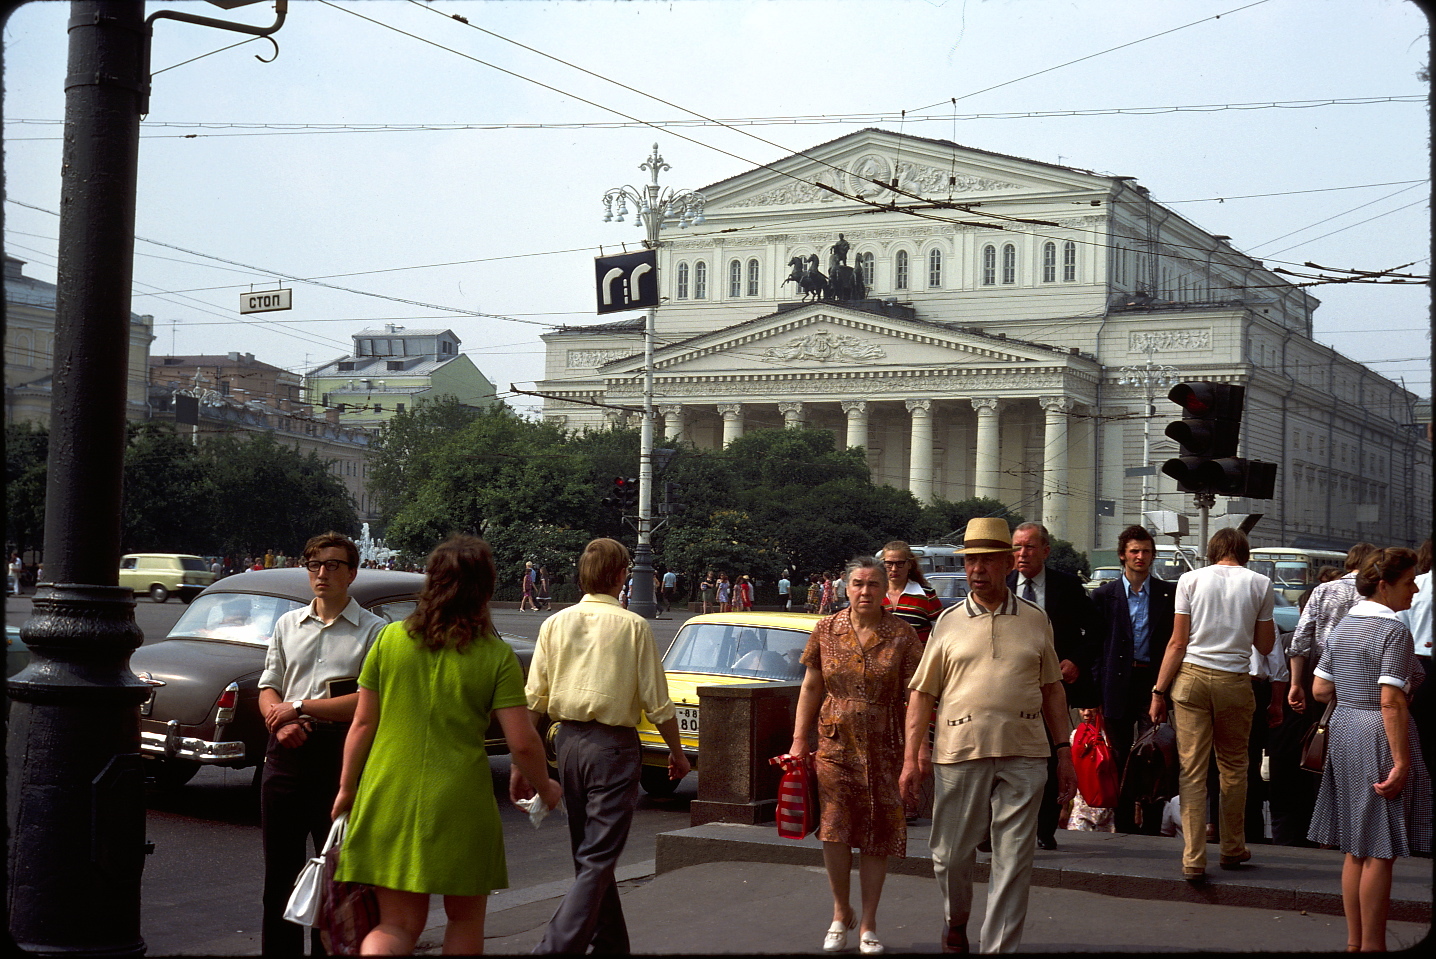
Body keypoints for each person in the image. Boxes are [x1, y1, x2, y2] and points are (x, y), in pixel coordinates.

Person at [331, 535, 561, 955]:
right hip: (459, 799)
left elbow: (362, 722)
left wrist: (347, 789)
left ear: (430, 583)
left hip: (386, 792)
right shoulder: (494, 655)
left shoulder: (389, 640)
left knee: (396, 925)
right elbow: (523, 742)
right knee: (464, 919)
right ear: (485, 589)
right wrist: (545, 788)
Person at [900, 518, 1077, 954]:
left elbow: (1053, 691)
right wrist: (911, 758)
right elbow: (921, 696)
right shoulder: (947, 622)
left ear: (1007, 563)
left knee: (1014, 861)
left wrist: (1065, 753)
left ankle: (997, 948)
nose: (977, 569)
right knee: (950, 854)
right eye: (970, 560)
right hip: (960, 752)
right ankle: (955, 917)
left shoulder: (1037, 620)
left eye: (987, 560)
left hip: (1026, 753)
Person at [519, 538, 691, 954]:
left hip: (568, 746)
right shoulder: (633, 626)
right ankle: (556, 948)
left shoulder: (554, 624)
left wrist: (527, 761)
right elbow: (657, 702)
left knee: (589, 854)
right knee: (598, 858)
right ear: (619, 577)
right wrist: (678, 752)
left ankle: (610, 943)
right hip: (613, 748)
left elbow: (534, 701)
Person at [256, 532, 384, 956]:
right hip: (285, 754)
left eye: (332, 565)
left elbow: (367, 703)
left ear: (352, 573)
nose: (322, 573)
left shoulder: (374, 632)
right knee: (280, 876)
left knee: (338, 874)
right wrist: (280, 722)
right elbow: (267, 688)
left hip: (340, 756)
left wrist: (298, 707)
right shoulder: (287, 624)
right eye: (314, 565)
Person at [791, 557, 922, 956]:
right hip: (834, 744)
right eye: (857, 584)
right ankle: (838, 912)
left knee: (877, 834)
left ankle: (868, 924)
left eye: (873, 584)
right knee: (833, 828)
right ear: (845, 588)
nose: (865, 591)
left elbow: (918, 695)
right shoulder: (826, 630)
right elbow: (811, 687)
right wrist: (799, 741)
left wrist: (917, 753)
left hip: (885, 746)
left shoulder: (902, 636)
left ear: (886, 589)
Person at [1308, 547, 1431, 952]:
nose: (1414, 589)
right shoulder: (1394, 630)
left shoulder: (1345, 625)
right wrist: (1402, 762)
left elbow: (1321, 688)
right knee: (1380, 849)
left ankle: (1354, 943)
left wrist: (1354, 687)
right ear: (1384, 585)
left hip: (1344, 727)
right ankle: (1374, 946)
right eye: (1409, 581)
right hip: (1377, 733)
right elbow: (1390, 700)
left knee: (1355, 847)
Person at [1149, 527, 1275, 883]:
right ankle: (1233, 848)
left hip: (1190, 679)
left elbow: (1177, 643)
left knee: (1192, 770)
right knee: (1234, 768)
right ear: (1243, 552)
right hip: (1234, 681)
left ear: (1213, 551)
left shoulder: (1189, 580)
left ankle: (1193, 858)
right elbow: (1265, 646)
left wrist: (1159, 691)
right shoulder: (1259, 584)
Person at [1272, 542, 1376, 846]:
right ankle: (1353, 830)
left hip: (1323, 680)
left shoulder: (1322, 591)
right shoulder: (1375, 592)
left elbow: (1300, 641)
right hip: (1363, 683)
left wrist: (1295, 684)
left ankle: (1324, 830)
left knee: (1322, 750)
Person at [1007, 521, 1098, 850]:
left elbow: (1097, 630)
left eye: (1029, 547)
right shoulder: (1002, 586)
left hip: (1052, 688)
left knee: (1048, 756)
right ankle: (999, 827)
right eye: (1017, 547)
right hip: (1009, 688)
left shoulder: (1066, 587)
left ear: (1045, 551)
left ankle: (1044, 829)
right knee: (1006, 757)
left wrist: (1075, 660)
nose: (1022, 554)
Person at [1090, 525, 1177, 834]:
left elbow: (1173, 641)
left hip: (1154, 684)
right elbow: (1096, 647)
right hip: (1115, 685)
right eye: (1134, 551)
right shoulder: (1104, 595)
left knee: (1153, 752)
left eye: (1146, 551)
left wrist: (1164, 690)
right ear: (1122, 556)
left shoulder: (1169, 594)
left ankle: (1152, 823)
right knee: (1119, 754)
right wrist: (1093, 694)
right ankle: (1124, 823)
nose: (1141, 557)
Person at [880, 540, 943, 644]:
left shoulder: (926, 595)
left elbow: (941, 631)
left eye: (900, 563)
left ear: (909, 565)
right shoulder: (875, 594)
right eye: (889, 564)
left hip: (919, 659)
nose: (894, 569)